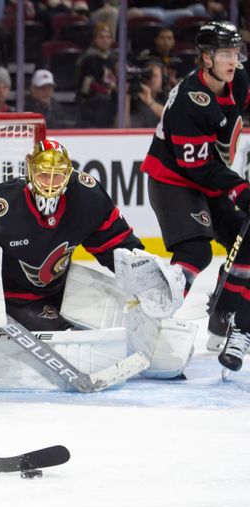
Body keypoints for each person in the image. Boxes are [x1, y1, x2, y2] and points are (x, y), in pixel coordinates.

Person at [0, 140, 190, 392]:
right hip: (16, 299)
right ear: (30, 169)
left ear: (69, 174)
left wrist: (142, 271)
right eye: (44, 175)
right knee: (75, 345)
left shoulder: (86, 195)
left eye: (58, 177)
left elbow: (114, 241)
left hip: (63, 287)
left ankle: (160, 348)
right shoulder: (1, 204)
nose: (51, 184)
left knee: (119, 320)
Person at [140, 21, 250, 352]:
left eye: (236, 52)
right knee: (196, 251)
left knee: (246, 237)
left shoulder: (238, 80)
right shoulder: (189, 100)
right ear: (205, 59)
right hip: (173, 181)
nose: (233, 61)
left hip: (210, 178)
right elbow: (199, 169)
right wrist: (239, 189)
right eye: (225, 54)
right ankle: (153, 324)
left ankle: (223, 314)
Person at [76, 22, 117, 128]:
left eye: (108, 37)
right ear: (95, 39)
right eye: (101, 37)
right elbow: (86, 86)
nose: (105, 40)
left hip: (110, 94)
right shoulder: (88, 58)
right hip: (93, 98)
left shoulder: (113, 58)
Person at [125, 62, 164, 128]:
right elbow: (120, 129)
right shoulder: (133, 100)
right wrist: (126, 97)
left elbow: (174, 119)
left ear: (162, 79)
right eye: (148, 76)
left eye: (155, 76)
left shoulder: (167, 97)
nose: (152, 80)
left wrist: (150, 102)